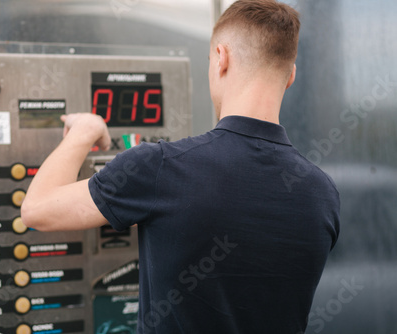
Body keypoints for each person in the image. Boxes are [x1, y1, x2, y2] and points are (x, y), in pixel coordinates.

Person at [22, 0, 340, 333]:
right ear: (290, 76)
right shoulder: (322, 194)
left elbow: (37, 209)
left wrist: (83, 132)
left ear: (221, 58)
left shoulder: (159, 167)